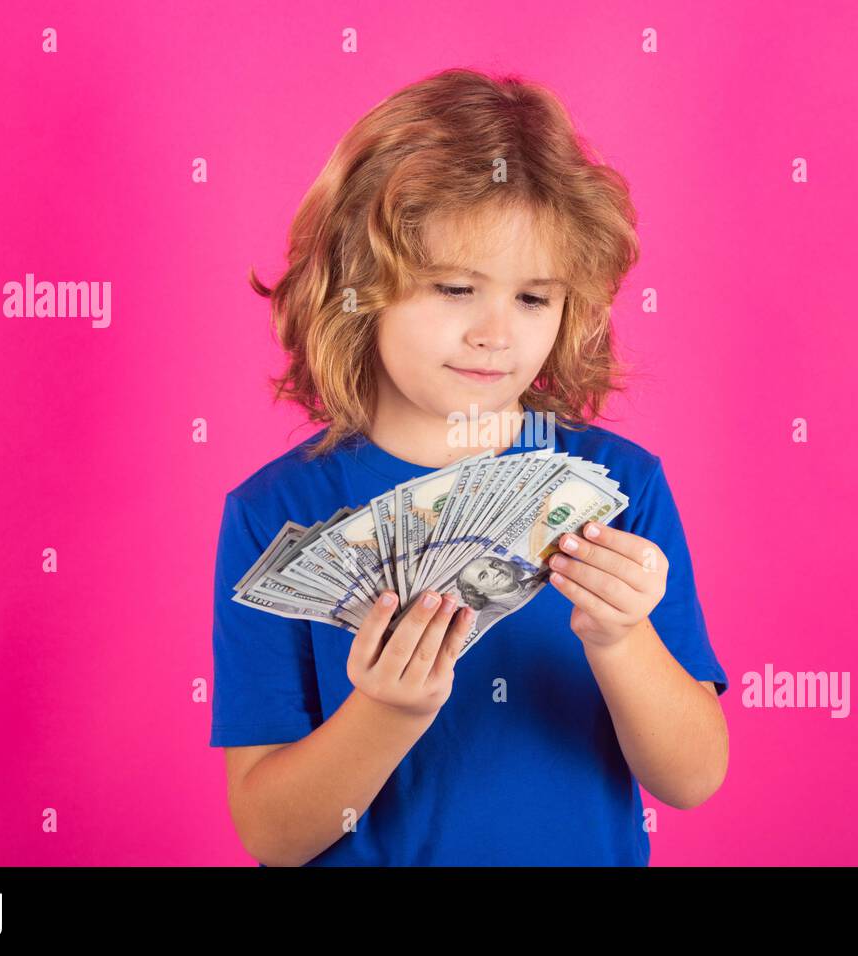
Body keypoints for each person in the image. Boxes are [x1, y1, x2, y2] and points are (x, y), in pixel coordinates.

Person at [210, 67, 730, 866]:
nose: (496, 333)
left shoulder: (622, 488)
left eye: (533, 299)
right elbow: (273, 836)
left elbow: (692, 778)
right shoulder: (273, 512)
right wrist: (383, 711)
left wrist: (624, 640)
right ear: (357, 290)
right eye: (455, 287)